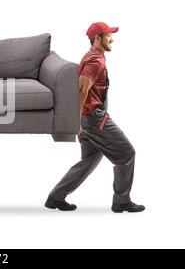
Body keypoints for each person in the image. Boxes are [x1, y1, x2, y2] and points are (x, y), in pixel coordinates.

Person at [45, 22, 145, 213]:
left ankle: (56, 197)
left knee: (90, 159)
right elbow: (82, 89)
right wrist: (74, 121)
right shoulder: (94, 61)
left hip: (86, 118)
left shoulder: (95, 57)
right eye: (108, 35)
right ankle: (122, 201)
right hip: (92, 118)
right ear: (97, 38)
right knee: (126, 154)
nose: (112, 39)